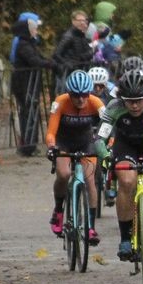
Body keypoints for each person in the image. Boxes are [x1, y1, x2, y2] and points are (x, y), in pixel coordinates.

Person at [98, 64, 143, 260]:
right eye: (129, 101)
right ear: (121, 98)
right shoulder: (114, 107)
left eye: (139, 100)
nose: (134, 106)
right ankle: (125, 237)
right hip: (126, 147)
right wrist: (106, 156)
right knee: (126, 182)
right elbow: (100, 139)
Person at [46, 70, 106, 245]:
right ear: (69, 94)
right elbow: (51, 132)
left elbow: (108, 127)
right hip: (63, 143)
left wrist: (108, 144)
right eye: (76, 96)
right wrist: (51, 147)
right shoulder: (60, 103)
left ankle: (91, 227)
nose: (81, 100)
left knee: (90, 181)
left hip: (86, 142)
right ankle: (58, 211)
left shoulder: (96, 103)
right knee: (63, 174)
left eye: (85, 95)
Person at [11, 12, 54, 156]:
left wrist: (51, 62)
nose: (36, 31)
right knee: (28, 113)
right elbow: (35, 61)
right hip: (25, 83)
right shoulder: (24, 45)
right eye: (34, 28)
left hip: (29, 83)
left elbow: (39, 58)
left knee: (30, 112)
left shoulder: (29, 43)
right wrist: (51, 65)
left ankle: (30, 143)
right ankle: (28, 145)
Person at [53, 10, 95, 92]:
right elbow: (56, 54)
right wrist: (67, 63)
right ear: (73, 21)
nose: (82, 23)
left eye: (84, 20)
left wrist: (91, 52)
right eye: (80, 20)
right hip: (68, 73)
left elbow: (85, 53)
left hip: (79, 72)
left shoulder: (81, 36)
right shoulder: (68, 36)